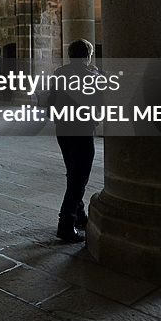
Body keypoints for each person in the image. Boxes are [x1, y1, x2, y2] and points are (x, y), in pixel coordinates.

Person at [48, 38, 100, 243]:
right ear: (88, 55)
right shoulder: (91, 75)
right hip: (81, 129)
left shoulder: (59, 73)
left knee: (73, 173)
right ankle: (66, 223)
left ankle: (80, 216)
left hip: (63, 129)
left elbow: (51, 100)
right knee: (79, 178)